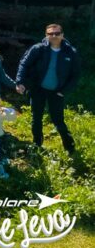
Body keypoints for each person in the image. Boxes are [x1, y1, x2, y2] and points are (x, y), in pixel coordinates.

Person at [16, 24, 80, 153]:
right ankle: (37, 145)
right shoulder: (38, 49)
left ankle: (70, 148)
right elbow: (24, 64)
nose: (54, 36)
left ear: (62, 35)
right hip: (37, 88)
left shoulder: (71, 52)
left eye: (57, 33)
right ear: (46, 35)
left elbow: (75, 75)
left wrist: (64, 91)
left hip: (57, 91)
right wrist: (20, 82)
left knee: (58, 120)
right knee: (36, 118)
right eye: (50, 34)